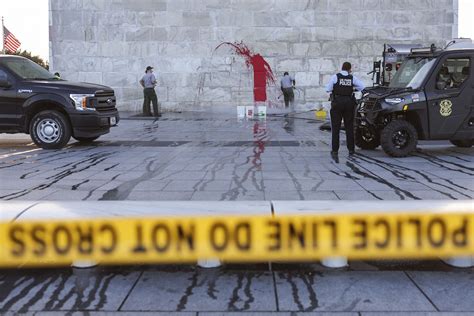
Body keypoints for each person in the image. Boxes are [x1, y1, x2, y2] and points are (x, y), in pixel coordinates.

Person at [326, 62, 365, 158]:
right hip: (349, 103)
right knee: (349, 127)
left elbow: (328, 89)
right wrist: (353, 89)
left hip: (337, 103)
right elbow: (362, 87)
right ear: (349, 69)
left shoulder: (335, 77)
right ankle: (351, 150)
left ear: (342, 68)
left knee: (335, 128)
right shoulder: (352, 78)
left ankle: (335, 150)